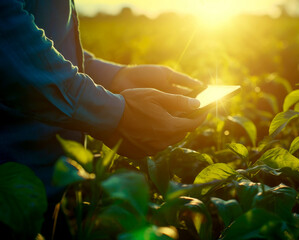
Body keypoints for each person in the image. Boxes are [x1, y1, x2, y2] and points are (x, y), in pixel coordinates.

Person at [0, 0, 205, 237]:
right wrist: (115, 115)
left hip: (50, 187)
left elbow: (40, 36)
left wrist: (116, 77)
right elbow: (6, 35)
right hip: (12, 191)